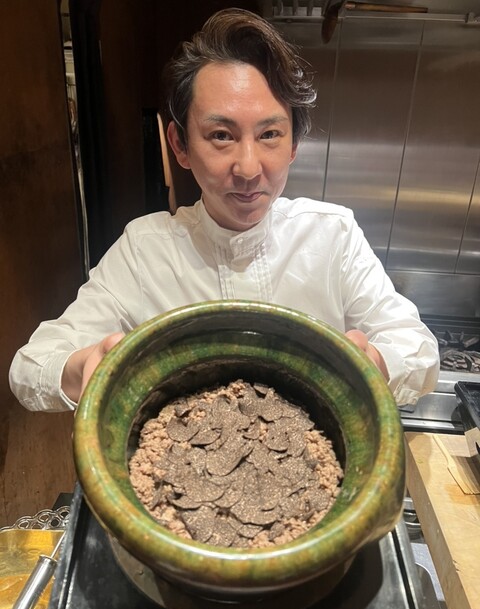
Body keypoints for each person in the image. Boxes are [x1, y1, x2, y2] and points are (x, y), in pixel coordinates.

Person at [9, 8, 439, 413]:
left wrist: (375, 363)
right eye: (221, 135)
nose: (249, 169)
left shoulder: (332, 236)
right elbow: (30, 366)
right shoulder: (145, 250)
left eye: (269, 134)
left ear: (293, 144)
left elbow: (418, 349)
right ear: (180, 145)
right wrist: (84, 368)